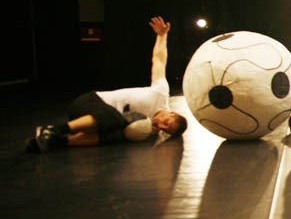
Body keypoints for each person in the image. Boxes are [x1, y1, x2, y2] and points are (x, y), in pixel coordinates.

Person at [26, 16, 187, 153]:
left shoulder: (147, 128)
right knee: (116, 119)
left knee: (118, 135)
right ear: (172, 113)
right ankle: (55, 129)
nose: (161, 126)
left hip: (95, 123)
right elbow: (159, 61)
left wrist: (145, 132)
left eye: (165, 130)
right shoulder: (160, 93)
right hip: (87, 103)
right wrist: (162, 36)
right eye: (166, 123)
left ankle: (56, 141)